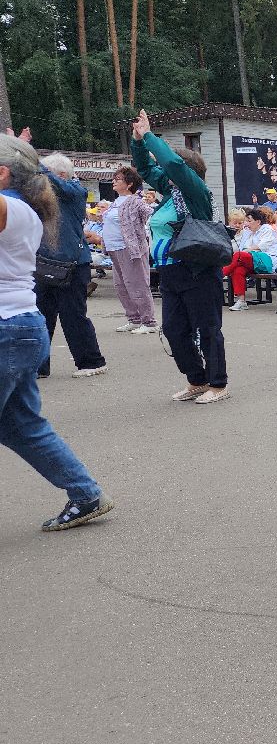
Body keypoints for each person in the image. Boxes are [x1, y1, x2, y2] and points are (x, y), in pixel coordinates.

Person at [0, 133, 116, 531]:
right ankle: (86, 495)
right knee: (21, 425)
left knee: (23, 424)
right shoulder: (22, 207)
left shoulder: (14, 209)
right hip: (17, 328)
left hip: (7, 329)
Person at [128, 111, 230, 402]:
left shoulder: (196, 192)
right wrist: (138, 142)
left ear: (185, 171)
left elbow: (171, 164)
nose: (164, 172)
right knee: (174, 330)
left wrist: (150, 136)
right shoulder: (172, 193)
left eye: (170, 168)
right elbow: (146, 169)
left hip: (197, 271)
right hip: (170, 272)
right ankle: (197, 380)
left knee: (208, 329)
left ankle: (218, 384)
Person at [34, 152, 107, 379]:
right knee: (41, 316)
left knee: (73, 316)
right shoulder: (47, 197)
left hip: (73, 265)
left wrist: (33, 161)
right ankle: (38, 366)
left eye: (46, 176)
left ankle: (92, 362)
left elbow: (60, 186)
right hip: (45, 263)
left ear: (62, 175)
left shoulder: (76, 191)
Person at [104, 164, 158, 333]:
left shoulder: (135, 201)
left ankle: (149, 322)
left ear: (129, 184)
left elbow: (150, 213)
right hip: (114, 248)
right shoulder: (115, 202)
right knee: (121, 286)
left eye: (118, 179)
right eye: (114, 178)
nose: (114, 181)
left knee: (137, 284)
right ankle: (134, 318)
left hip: (129, 249)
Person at [222, 207, 277, 311]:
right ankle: (241, 301)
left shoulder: (267, 229)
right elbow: (243, 248)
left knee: (239, 256)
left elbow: (261, 246)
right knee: (238, 269)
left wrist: (244, 252)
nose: (246, 224)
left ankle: (220, 275)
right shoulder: (250, 232)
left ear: (258, 222)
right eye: (246, 221)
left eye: (249, 221)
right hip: (255, 262)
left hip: (269, 262)